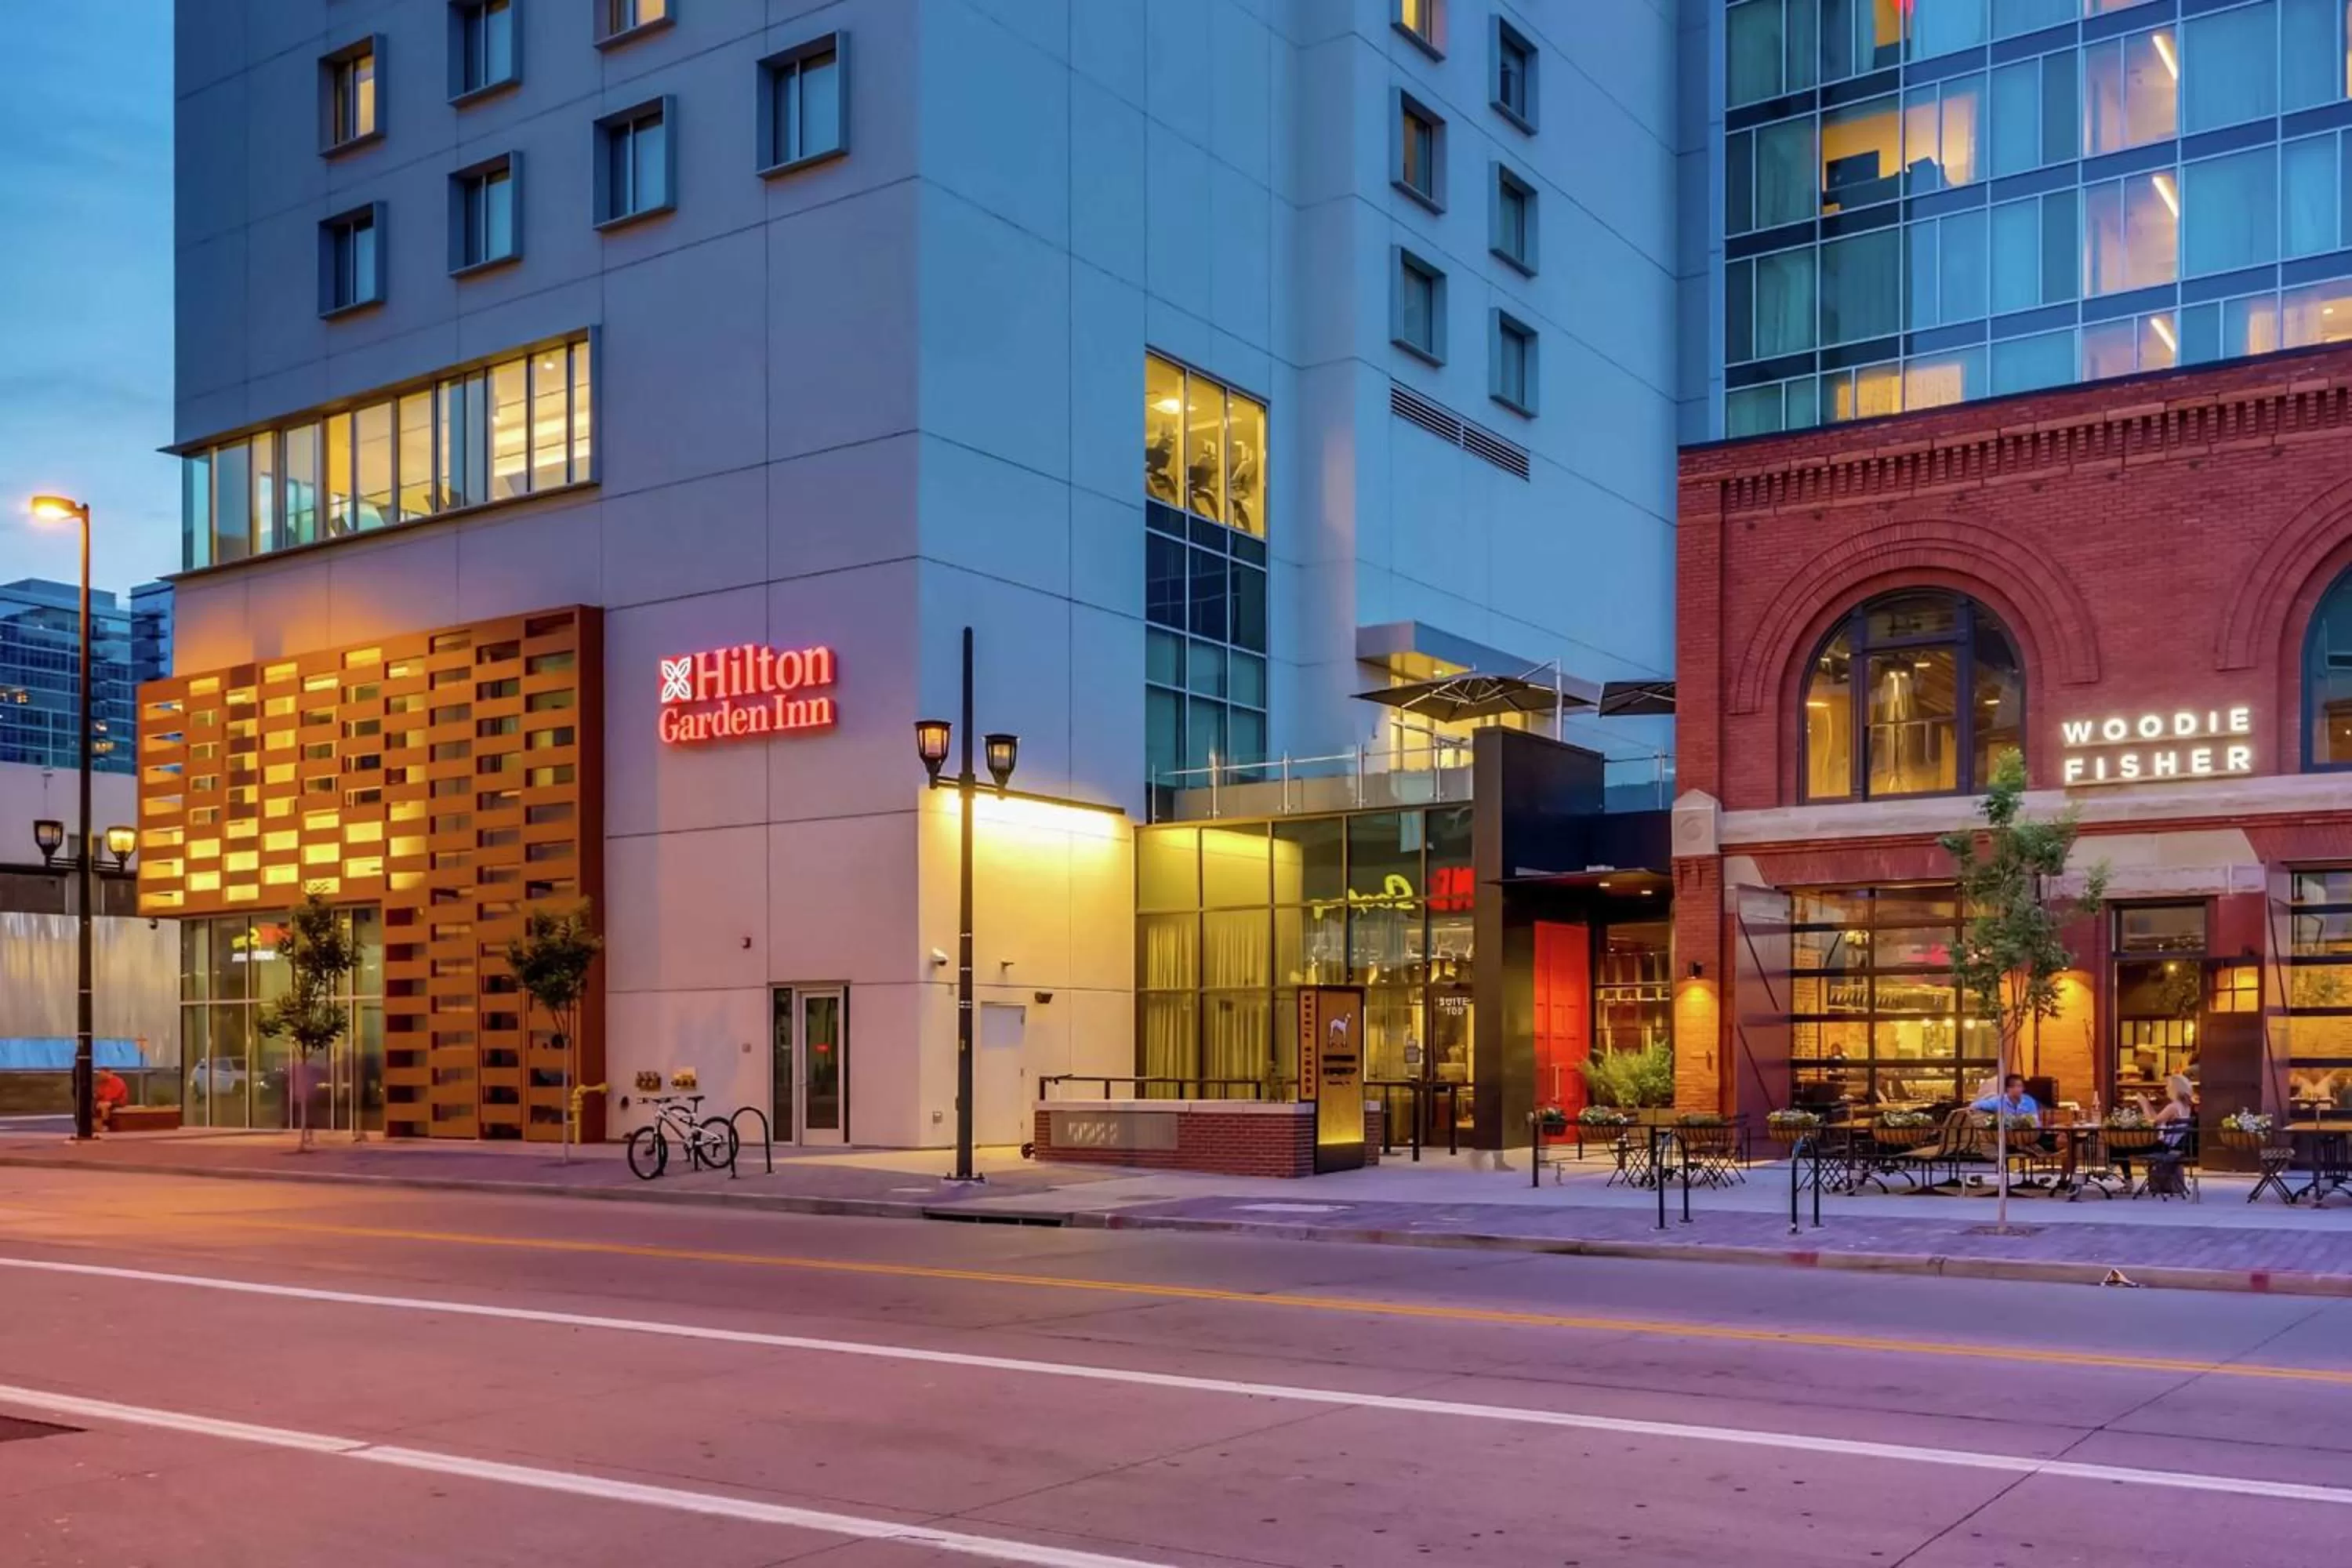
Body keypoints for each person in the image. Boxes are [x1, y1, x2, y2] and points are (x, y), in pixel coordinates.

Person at [1972, 1073, 2041, 1123]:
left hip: (2025, 1135)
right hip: (2006, 1135)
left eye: (2020, 1086)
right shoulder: (2000, 1100)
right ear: (2007, 1088)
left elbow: (2035, 1120)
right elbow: (1981, 1104)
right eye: (2014, 1086)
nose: (2017, 1089)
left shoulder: (2029, 1101)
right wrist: (1974, 1106)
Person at [91, 1064, 129, 1134]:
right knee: (94, 1104)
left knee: (104, 1105)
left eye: (101, 1074)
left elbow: (114, 1095)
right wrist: (96, 1097)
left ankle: (105, 1124)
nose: (100, 1076)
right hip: (106, 1101)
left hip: (118, 1101)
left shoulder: (117, 1081)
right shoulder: (103, 1083)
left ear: (108, 1073)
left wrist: (102, 1102)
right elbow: (99, 1094)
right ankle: (96, 1125)